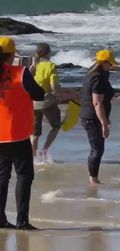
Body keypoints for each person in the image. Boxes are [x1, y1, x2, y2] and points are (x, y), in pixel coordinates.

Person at [0, 37, 45, 230]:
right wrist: (31, 74)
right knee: (24, 176)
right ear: (11, 55)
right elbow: (39, 94)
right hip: (17, 134)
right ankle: (22, 221)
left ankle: (0, 220)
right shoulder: (21, 72)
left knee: (2, 177)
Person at [80, 49, 118, 185]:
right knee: (97, 150)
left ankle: (93, 179)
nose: (112, 66)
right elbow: (97, 103)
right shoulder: (97, 77)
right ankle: (93, 180)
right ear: (103, 63)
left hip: (92, 116)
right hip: (91, 118)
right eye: (110, 64)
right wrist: (104, 124)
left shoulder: (97, 73)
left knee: (97, 149)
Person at [30, 43, 62, 161]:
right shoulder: (50, 66)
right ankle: (44, 150)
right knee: (56, 126)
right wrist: (60, 94)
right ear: (48, 52)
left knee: (34, 132)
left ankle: (33, 158)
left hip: (33, 103)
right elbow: (54, 86)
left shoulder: (34, 65)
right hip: (47, 102)